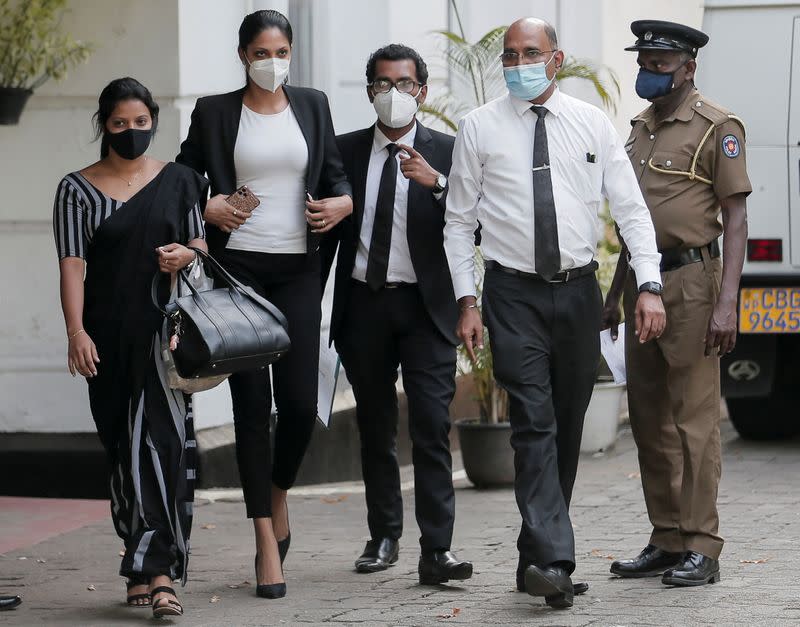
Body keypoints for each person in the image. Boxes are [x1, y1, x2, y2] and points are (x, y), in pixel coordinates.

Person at [444, 18, 666, 609]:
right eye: (511, 55)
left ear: (558, 58)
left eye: (531, 53)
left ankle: (533, 557)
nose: (519, 63)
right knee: (534, 421)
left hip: (576, 295)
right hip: (511, 292)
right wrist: (468, 300)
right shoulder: (479, 127)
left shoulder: (592, 124)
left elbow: (632, 210)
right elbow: (459, 221)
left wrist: (649, 283)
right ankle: (553, 559)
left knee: (565, 426)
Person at [176, 9, 352, 599]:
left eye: (280, 51)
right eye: (260, 52)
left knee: (300, 406)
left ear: (291, 52)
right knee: (253, 408)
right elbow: (182, 175)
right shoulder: (215, 111)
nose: (271, 62)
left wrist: (342, 205)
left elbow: (334, 175)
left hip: (300, 270)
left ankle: (277, 492)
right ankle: (263, 545)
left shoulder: (314, 103)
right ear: (243, 55)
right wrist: (209, 207)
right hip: (239, 273)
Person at [53, 77, 208, 618]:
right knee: (124, 451)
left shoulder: (183, 181)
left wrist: (186, 257)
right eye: (120, 124)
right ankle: (138, 559)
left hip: (165, 336)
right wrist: (76, 331)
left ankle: (161, 573)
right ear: (104, 125)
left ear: (154, 123)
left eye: (141, 123)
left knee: (160, 448)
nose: (132, 132)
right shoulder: (77, 189)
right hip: (106, 339)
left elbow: (199, 245)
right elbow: (72, 264)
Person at [603, 20, 751, 587]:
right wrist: (616, 296)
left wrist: (726, 304)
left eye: (661, 62)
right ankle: (666, 537)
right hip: (644, 283)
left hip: (693, 283)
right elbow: (635, 222)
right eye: (645, 59)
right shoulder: (639, 128)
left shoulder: (718, 126)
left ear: (688, 66)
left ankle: (702, 544)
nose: (650, 70)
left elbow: (735, 217)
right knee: (649, 419)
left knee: (693, 420)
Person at [328, 44, 472, 584]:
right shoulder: (340, 152)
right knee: (375, 425)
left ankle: (438, 549)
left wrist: (435, 185)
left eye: (405, 84)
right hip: (364, 303)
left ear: (423, 92)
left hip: (426, 308)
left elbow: (476, 225)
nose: (395, 94)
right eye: (384, 85)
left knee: (433, 425)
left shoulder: (450, 152)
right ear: (370, 92)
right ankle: (384, 534)